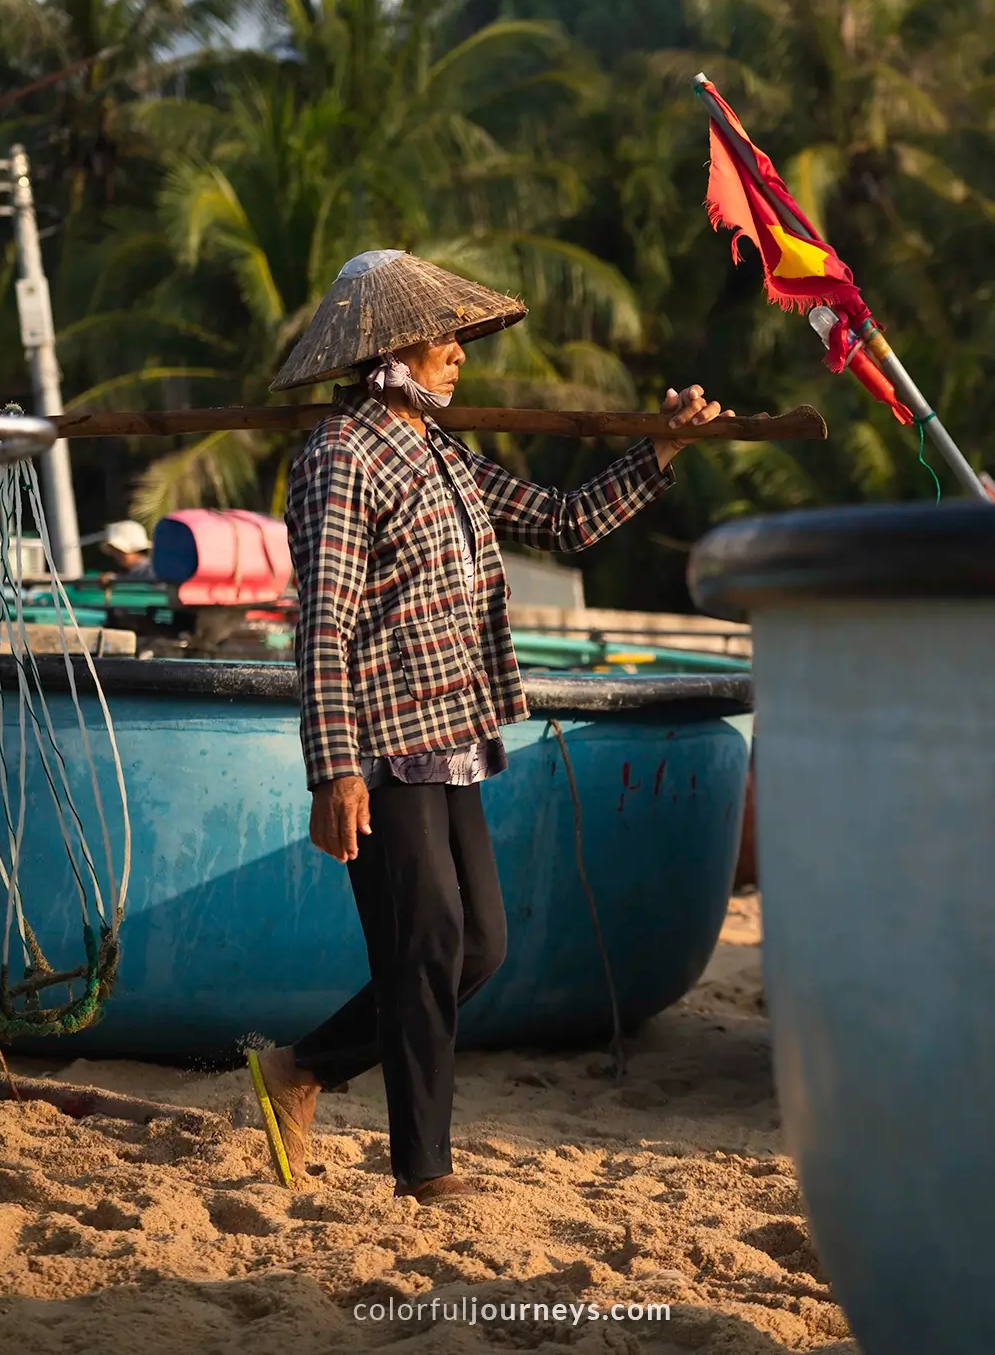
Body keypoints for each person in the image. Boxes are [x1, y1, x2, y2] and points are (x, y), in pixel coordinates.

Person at [246, 249, 734, 1202]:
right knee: (425, 945)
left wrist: (662, 450)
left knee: (480, 947)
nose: (460, 354)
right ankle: (423, 1170)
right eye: (444, 338)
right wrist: (333, 770)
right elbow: (325, 624)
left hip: (452, 728)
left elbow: (560, 521)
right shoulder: (338, 457)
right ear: (393, 348)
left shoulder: (441, 449)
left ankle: (300, 1067)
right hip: (383, 738)